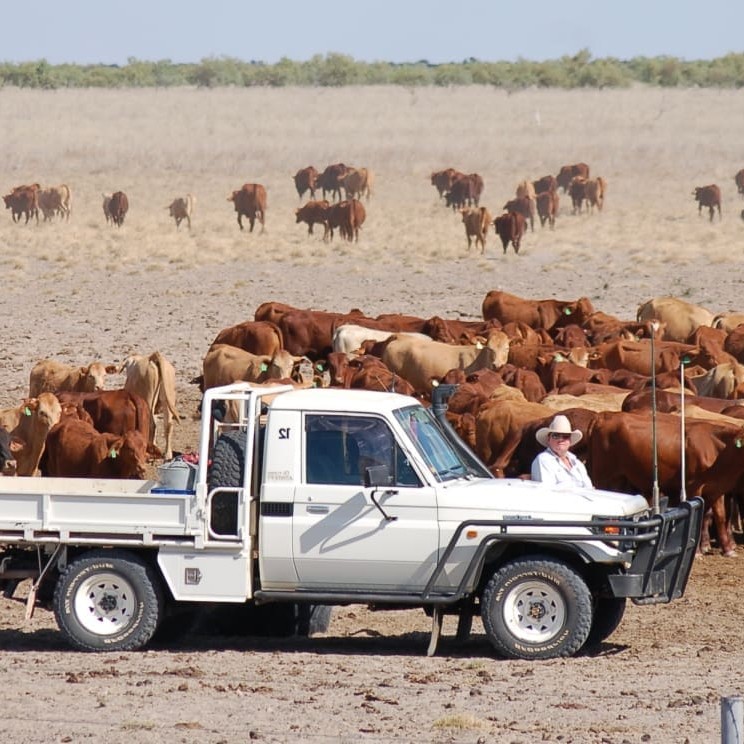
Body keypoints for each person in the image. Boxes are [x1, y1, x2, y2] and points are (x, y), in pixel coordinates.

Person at [531, 414, 593, 488]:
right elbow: (547, 491)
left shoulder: (577, 463)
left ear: (570, 440)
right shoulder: (543, 460)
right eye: (556, 435)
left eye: (565, 436)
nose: (561, 439)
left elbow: (589, 489)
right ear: (548, 439)